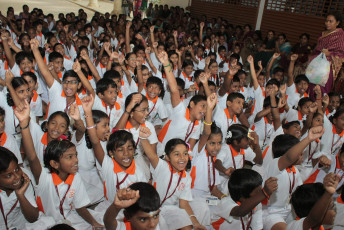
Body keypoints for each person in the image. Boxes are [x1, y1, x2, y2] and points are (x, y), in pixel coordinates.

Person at [308, 12, 344, 99]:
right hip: (316, 63)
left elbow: (341, 53)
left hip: (328, 66)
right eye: (326, 21)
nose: (327, 23)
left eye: (331, 21)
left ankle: (321, 107)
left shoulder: (340, 34)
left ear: (337, 23)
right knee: (312, 85)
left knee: (322, 87)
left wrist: (329, 54)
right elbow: (317, 49)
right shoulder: (322, 34)